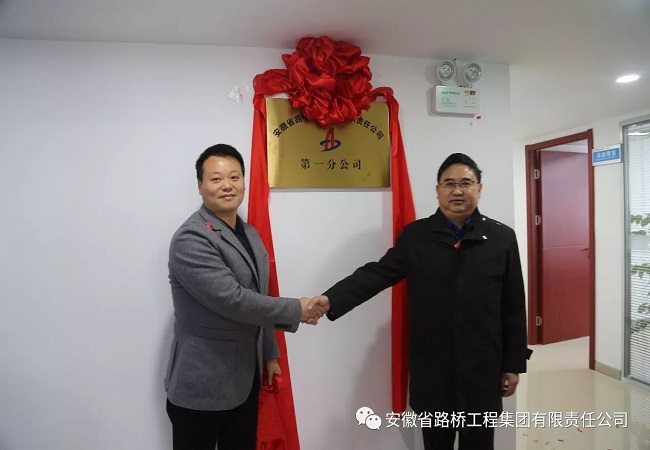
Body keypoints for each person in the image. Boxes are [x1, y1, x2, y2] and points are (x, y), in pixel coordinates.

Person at [320, 153, 528, 450]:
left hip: (482, 369)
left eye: (466, 183)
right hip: (433, 368)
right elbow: (378, 273)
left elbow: (513, 306)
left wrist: (513, 364)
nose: (457, 191)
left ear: (479, 188)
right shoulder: (416, 236)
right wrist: (331, 299)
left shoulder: (501, 238)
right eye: (449, 183)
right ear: (437, 190)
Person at [164, 144, 326, 450]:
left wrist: (269, 354)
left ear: (244, 182)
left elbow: (259, 296)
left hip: (244, 379)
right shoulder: (192, 237)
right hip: (202, 383)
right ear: (200, 186)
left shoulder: (249, 233)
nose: (227, 185)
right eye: (216, 179)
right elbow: (233, 300)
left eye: (234, 177)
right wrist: (297, 309)